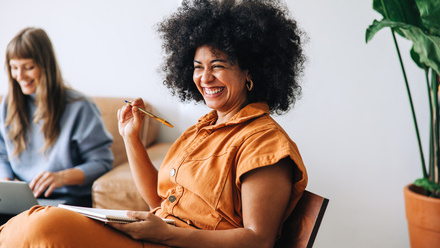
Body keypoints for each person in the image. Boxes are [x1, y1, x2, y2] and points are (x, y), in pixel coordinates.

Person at [0, 0, 307, 247]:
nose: (205, 78)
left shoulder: (264, 142)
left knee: (42, 226)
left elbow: (259, 240)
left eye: (218, 66)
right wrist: (131, 139)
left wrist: (166, 234)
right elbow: (158, 199)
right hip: (157, 236)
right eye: (198, 67)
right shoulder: (203, 129)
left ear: (250, 72)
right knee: (35, 221)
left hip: (171, 242)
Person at [0, 27, 113, 208]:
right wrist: (6, 184)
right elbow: (2, 154)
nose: (19, 76)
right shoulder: (8, 104)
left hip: (66, 200)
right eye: (14, 68)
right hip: (23, 200)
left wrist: (61, 177)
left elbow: (102, 162)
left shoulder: (80, 106)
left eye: (28, 67)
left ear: (46, 66)